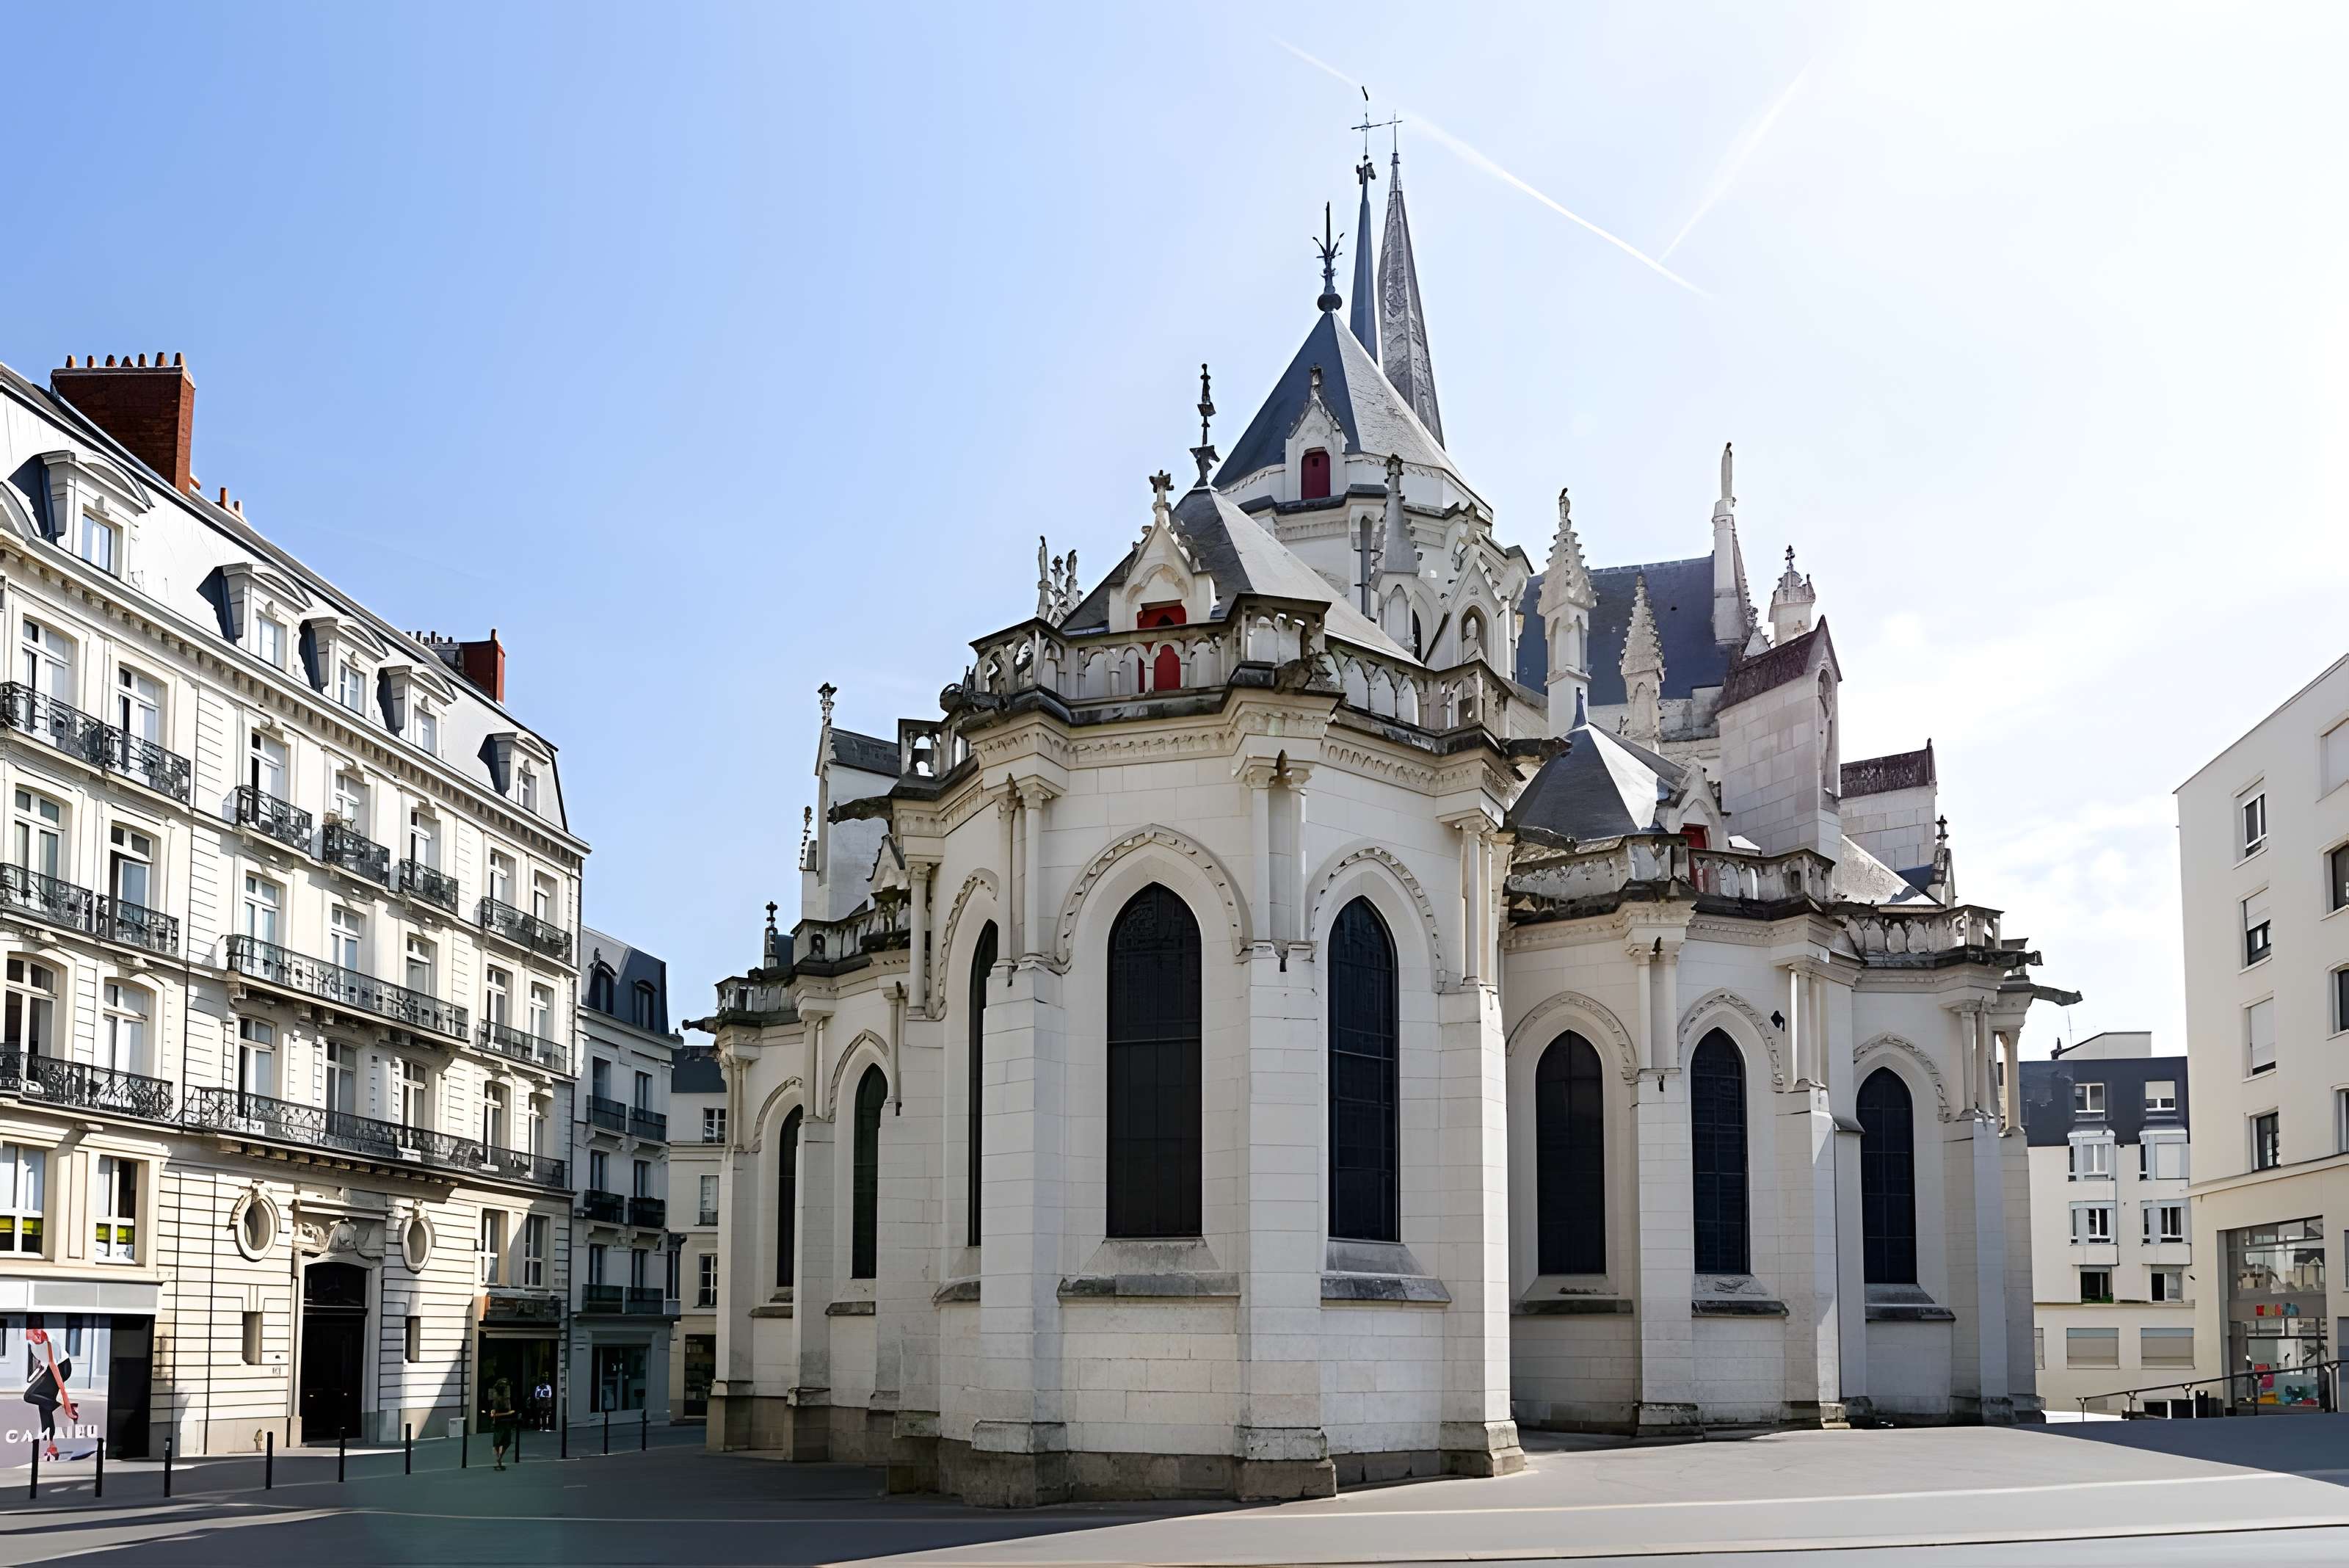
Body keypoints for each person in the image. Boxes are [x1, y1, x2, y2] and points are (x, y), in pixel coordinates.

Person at [23, 1328, 79, 1462]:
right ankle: (52, 1448)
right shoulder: (31, 1343)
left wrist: (65, 1401)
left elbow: (53, 1365)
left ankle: (65, 1407)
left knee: (29, 1396)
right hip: (50, 1368)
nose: (37, 1336)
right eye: (33, 1334)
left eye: (38, 1332)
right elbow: (44, 1362)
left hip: (61, 1368)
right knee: (44, 1406)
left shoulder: (49, 1341)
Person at [488, 1379, 520, 1470]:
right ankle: (499, 1458)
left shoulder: (506, 1399)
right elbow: (493, 1413)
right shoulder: (498, 1400)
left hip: (504, 1422)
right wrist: (508, 1414)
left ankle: (499, 1458)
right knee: (500, 1441)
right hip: (501, 1422)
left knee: (504, 1441)